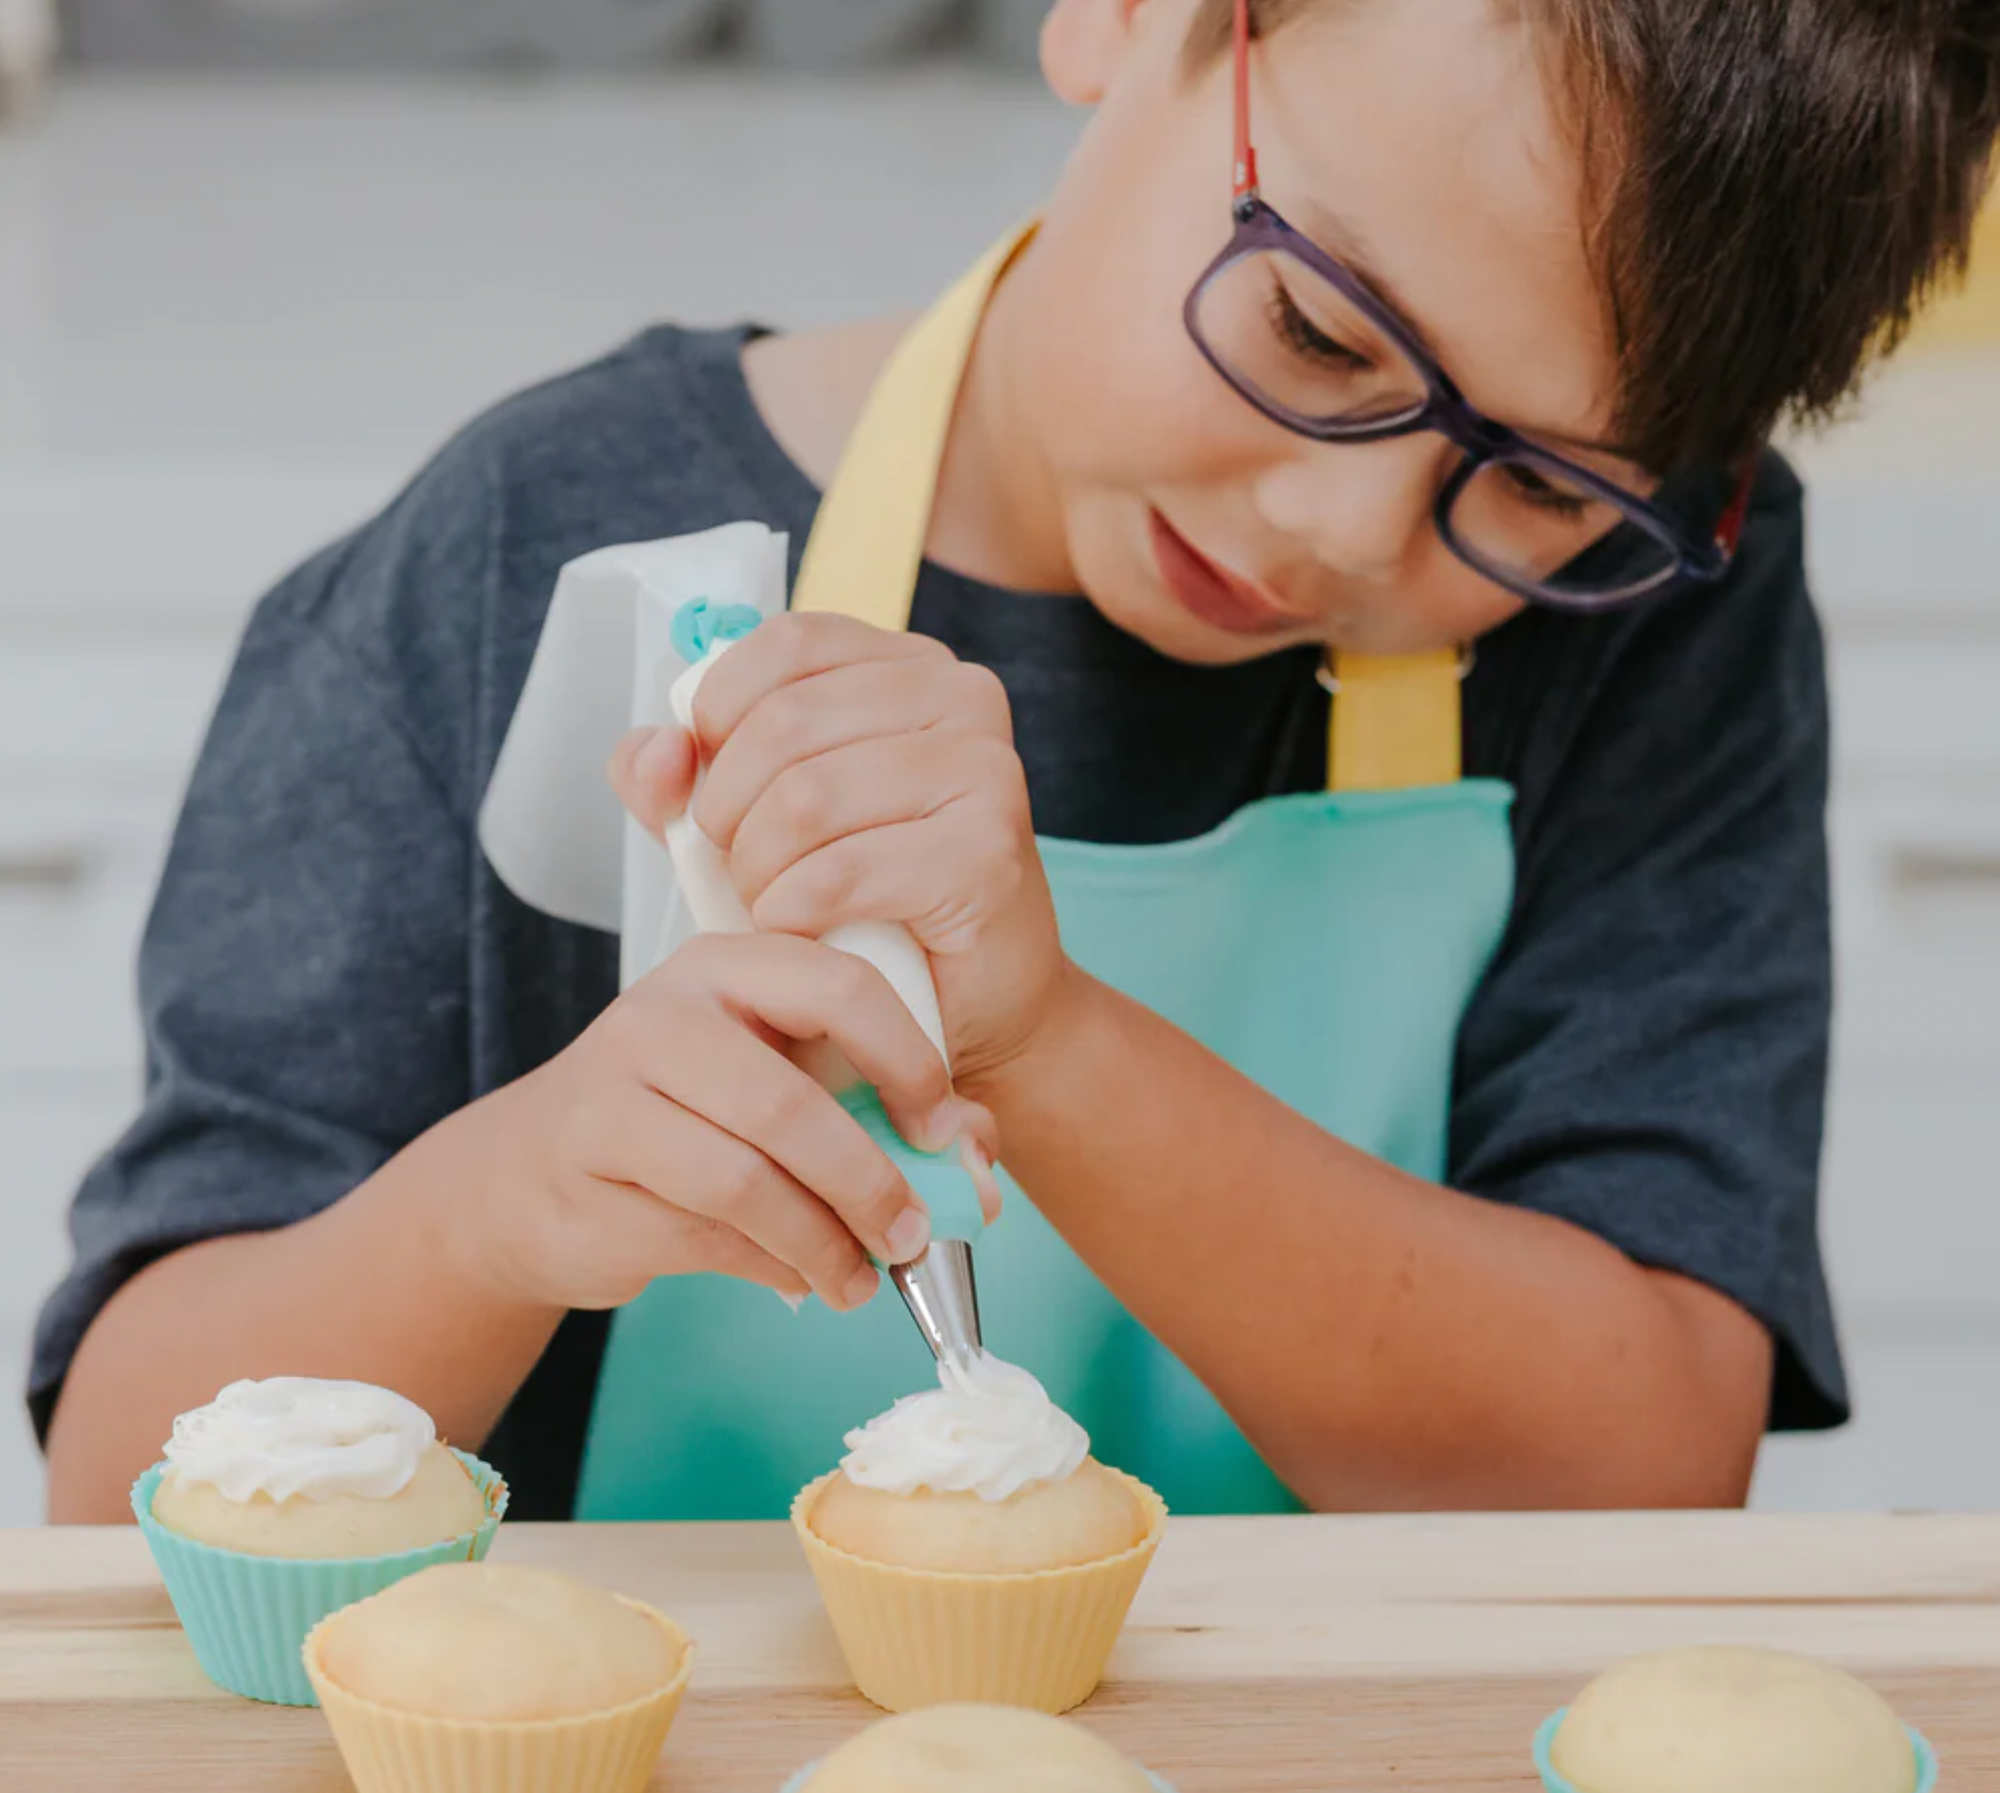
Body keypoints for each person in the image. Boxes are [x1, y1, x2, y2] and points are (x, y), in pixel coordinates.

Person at [38, 0, 2000, 1523]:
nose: (1340, 529)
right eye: (1318, 334)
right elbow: (119, 1489)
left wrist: (1047, 1039)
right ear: (1117, 19)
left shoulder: (1646, 620)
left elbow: (1634, 1467)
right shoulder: (539, 552)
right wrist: (495, 1212)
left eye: (1540, 490)